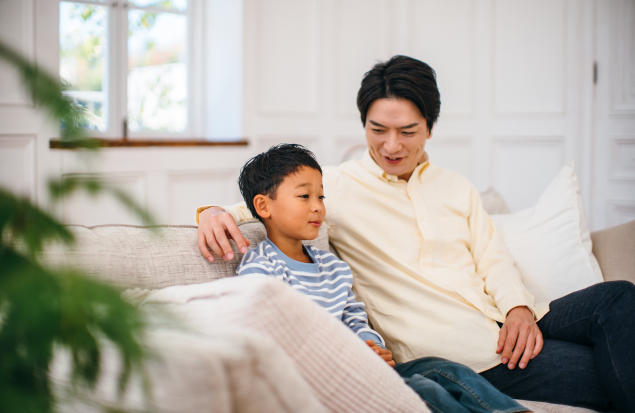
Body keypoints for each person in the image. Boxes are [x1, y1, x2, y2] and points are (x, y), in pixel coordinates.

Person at [196, 56, 635, 412]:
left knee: (618, 297)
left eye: (408, 132)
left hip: (506, 322)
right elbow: (267, 201)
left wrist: (519, 308)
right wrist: (211, 211)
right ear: (363, 124)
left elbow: (493, 257)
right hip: (471, 356)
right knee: (610, 366)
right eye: (377, 130)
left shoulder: (456, 186)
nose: (391, 146)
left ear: (430, 127)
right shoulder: (335, 188)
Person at [234, 143, 528, 413]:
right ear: (263, 206)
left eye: (321, 196)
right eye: (304, 196)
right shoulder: (262, 269)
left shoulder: (331, 266)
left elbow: (354, 317)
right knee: (423, 389)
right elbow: (270, 337)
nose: (317, 206)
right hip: (322, 381)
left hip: (366, 369)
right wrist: (348, 355)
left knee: (442, 369)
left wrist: (370, 345)